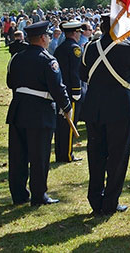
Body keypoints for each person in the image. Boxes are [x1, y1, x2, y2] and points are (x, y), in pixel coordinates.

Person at [80, 14, 130, 215]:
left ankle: (95, 199)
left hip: (94, 107)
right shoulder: (129, 48)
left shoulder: (90, 48)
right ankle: (110, 201)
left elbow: (83, 75)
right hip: (120, 108)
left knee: (96, 154)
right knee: (117, 157)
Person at [6, 21, 73, 206]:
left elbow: (10, 82)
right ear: (43, 38)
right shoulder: (48, 60)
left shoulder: (17, 58)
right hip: (40, 112)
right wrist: (67, 106)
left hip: (19, 109)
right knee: (39, 156)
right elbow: (57, 88)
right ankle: (38, 195)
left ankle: (19, 194)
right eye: (48, 36)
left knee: (18, 155)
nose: (49, 39)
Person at [53, 21, 84, 163]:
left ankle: (60, 152)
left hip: (61, 90)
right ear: (75, 33)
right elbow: (75, 72)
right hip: (71, 91)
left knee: (61, 124)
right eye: (79, 32)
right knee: (70, 124)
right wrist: (77, 91)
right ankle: (67, 154)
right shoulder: (75, 49)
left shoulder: (60, 48)